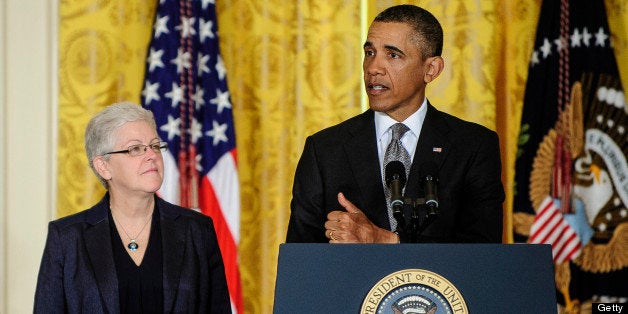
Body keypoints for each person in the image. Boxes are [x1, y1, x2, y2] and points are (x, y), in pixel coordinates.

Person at [286, 4, 504, 244]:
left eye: (392, 55)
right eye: (370, 53)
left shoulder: (473, 146)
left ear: (431, 69)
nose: (373, 68)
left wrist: (385, 240)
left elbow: (483, 253)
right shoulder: (325, 150)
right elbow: (300, 260)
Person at [34, 102, 231, 313]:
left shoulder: (197, 230)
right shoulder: (66, 238)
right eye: (135, 148)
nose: (152, 155)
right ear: (104, 166)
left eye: (155, 146)